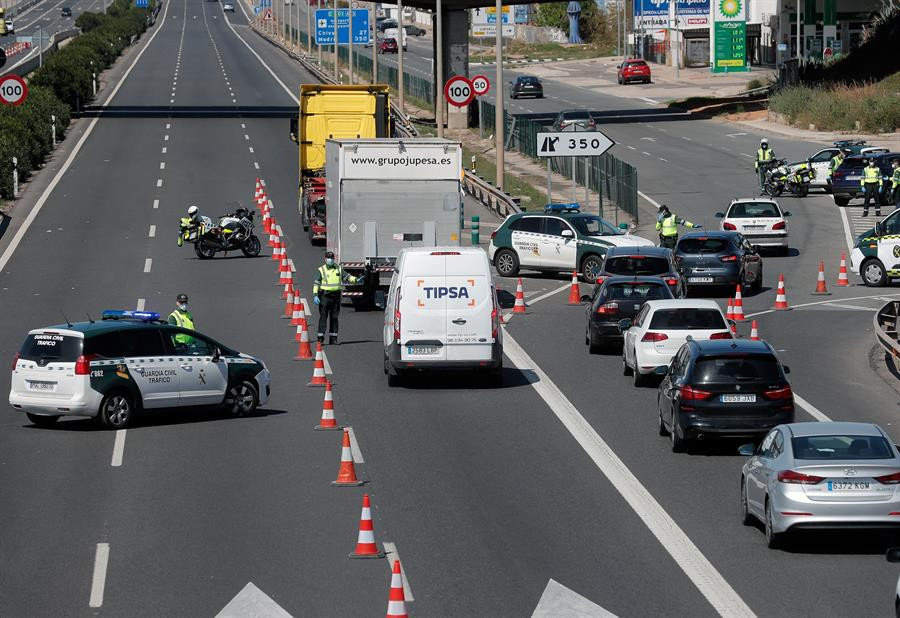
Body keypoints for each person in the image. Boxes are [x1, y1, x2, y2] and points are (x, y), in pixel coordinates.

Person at [312, 251, 362, 345]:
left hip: (336, 296)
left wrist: (355, 279)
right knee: (323, 317)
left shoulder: (339, 269)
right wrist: (315, 295)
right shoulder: (321, 270)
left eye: (332, 258)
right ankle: (320, 338)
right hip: (325, 296)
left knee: (334, 317)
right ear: (325, 259)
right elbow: (316, 284)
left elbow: (347, 277)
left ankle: (333, 338)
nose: (330, 260)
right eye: (328, 258)